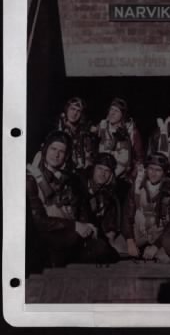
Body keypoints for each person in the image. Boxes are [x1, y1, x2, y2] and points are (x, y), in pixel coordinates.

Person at [26, 131, 119, 267]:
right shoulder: (31, 180)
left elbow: (80, 210)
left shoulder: (71, 180)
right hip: (46, 236)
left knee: (103, 249)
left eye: (61, 151)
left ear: (66, 155)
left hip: (70, 236)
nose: (56, 155)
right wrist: (74, 226)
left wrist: (87, 227)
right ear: (45, 150)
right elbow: (38, 221)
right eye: (53, 149)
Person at [123, 153, 170, 262]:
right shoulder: (137, 186)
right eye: (151, 169)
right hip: (139, 231)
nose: (154, 174)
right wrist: (130, 240)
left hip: (160, 235)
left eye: (158, 170)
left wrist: (156, 245)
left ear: (164, 173)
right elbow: (127, 215)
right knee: (117, 249)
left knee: (164, 258)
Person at [80, 152, 121, 250]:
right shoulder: (80, 187)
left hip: (98, 234)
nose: (103, 174)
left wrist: (111, 233)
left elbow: (111, 220)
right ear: (93, 169)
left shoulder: (109, 194)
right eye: (100, 169)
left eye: (107, 171)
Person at [96, 98, 144, 180]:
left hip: (121, 175)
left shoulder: (131, 131)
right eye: (111, 109)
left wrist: (133, 175)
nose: (112, 113)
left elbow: (139, 156)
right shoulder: (102, 126)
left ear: (122, 115)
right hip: (102, 171)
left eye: (116, 111)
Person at [57, 97, 95, 169]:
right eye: (72, 109)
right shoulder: (58, 128)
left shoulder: (84, 132)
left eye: (78, 111)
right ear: (67, 109)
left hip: (80, 169)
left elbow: (89, 153)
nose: (74, 113)